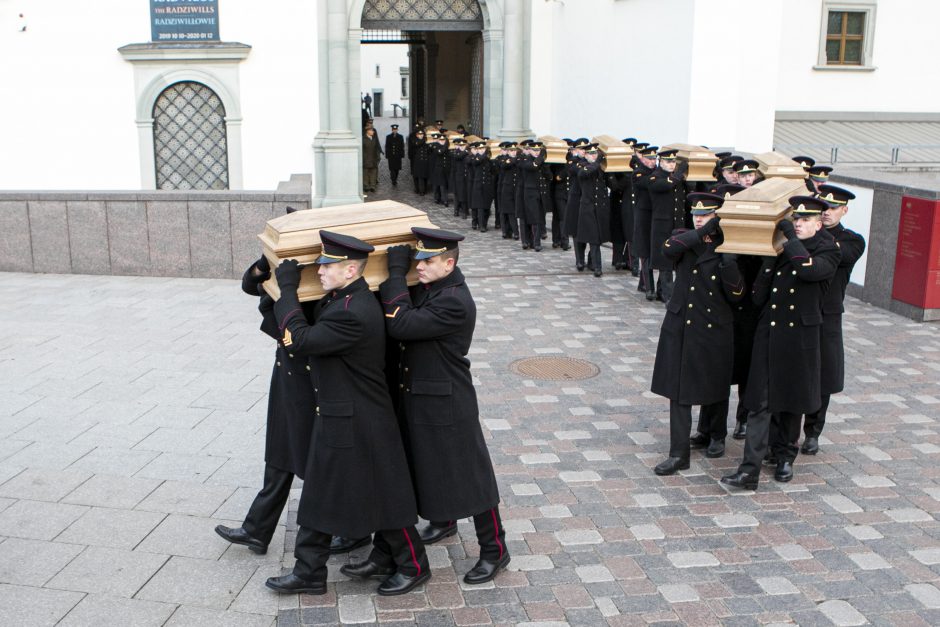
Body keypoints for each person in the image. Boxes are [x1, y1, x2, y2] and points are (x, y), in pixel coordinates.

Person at [265, 231, 431, 596]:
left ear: (352, 269)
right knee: (323, 495)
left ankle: (414, 564)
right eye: (320, 264)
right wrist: (271, 287)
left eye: (328, 265)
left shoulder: (352, 312)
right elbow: (296, 326)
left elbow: (302, 340)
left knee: (385, 496)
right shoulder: (339, 300)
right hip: (342, 414)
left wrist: (289, 290)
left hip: (360, 420)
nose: (320, 271)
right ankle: (309, 571)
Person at [377, 228, 509, 585]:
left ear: (449, 263)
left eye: (428, 261)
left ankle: (495, 549)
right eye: (417, 259)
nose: (419, 266)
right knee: (429, 464)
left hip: (448, 400)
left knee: (470, 474)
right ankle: (444, 520)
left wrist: (393, 274)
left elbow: (401, 324)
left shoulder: (453, 300)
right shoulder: (432, 286)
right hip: (420, 394)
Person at [721, 196, 840, 490]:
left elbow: (808, 270)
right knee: (759, 404)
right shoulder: (783, 248)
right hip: (770, 333)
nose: (798, 224)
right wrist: (764, 265)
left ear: (817, 223)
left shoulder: (828, 250)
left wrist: (787, 237)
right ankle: (749, 470)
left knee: (791, 402)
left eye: (803, 220)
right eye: (795, 220)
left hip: (800, 336)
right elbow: (761, 296)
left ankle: (786, 457)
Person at [651, 193, 744, 474]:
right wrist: (701, 231)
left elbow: (738, 294)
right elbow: (668, 250)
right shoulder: (685, 237)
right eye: (696, 214)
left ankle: (715, 434)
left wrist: (728, 261)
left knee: (715, 383)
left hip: (713, 325)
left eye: (706, 214)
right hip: (681, 324)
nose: (699, 217)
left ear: (719, 215)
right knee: (677, 391)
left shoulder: (730, 243)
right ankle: (678, 454)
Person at [799, 184, 866, 455]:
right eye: (823, 207)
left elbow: (841, 254)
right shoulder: (804, 232)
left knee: (823, 374)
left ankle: (813, 431)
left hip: (827, 314)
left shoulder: (851, 240)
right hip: (800, 310)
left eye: (833, 208)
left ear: (844, 210)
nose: (827, 212)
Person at [646, 148, 687, 301]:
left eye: (673, 162)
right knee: (665, 263)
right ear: (660, 162)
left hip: (676, 225)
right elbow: (667, 185)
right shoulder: (654, 178)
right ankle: (668, 297)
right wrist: (679, 172)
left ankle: (661, 291)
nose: (672, 165)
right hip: (662, 226)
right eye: (668, 162)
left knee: (674, 260)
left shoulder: (675, 178)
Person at [573, 143, 611, 277]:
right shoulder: (581, 166)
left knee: (597, 238)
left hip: (600, 208)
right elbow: (585, 173)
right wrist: (599, 162)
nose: (594, 156)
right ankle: (596, 266)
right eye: (591, 154)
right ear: (585, 155)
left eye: (596, 153)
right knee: (592, 238)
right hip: (587, 208)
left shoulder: (600, 168)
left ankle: (591, 262)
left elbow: (611, 184)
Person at [466, 141, 494, 231]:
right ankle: (481, 225)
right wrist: (485, 155)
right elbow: (476, 162)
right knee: (480, 207)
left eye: (483, 148)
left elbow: (493, 171)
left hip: (488, 186)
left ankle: (484, 224)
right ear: (477, 150)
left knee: (486, 207)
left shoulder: (488, 159)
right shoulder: (475, 158)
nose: (482, 150)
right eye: (480, 149)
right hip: (478, 186)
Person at [495, 142, 519, 240]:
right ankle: (508, 231)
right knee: (506, 211)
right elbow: (504, 166)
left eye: (515, 151)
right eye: (511, 151)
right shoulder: (503, 159)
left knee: (512, 211)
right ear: (507, 151)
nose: (513, 152)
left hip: (516, 187)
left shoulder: (518, 159)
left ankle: (513, 231)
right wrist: (513, 159)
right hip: (506, 188)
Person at [428, 132, 451, 207]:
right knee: (441, 185)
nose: (442, 141)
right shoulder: (436, 146)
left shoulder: (447, 147)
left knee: (442, 185)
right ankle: (444, 200)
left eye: (443, 140)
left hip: (446, 168)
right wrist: (446, 144)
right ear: (438, 140)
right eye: (440, 140)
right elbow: (441, 152)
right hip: (438, 169)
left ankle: (439, 198)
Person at [362, 126, 383, 194]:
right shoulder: (363, 139)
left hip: (373, 159)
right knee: (366, 173)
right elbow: (362, 151)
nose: (373, 132)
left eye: (373, 130)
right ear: (367, 131)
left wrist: (378, 157)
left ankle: (372, 186)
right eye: (372, 130)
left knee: (373, 173)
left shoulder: (374, 139)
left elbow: (377, 148)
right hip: (366, 159)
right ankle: (366, 186)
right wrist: (363, 159)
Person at [411, 129, 430, 195]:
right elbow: (418, 144)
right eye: (419, 134)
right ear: (417, 135)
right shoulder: (415, 140)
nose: (421, 135)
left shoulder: (426, 141)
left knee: (425, 176)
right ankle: (420, 190)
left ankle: (424, 190)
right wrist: (425, 139)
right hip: (418, 161)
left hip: (425, 161)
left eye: (422, 134)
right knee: (419, 176)